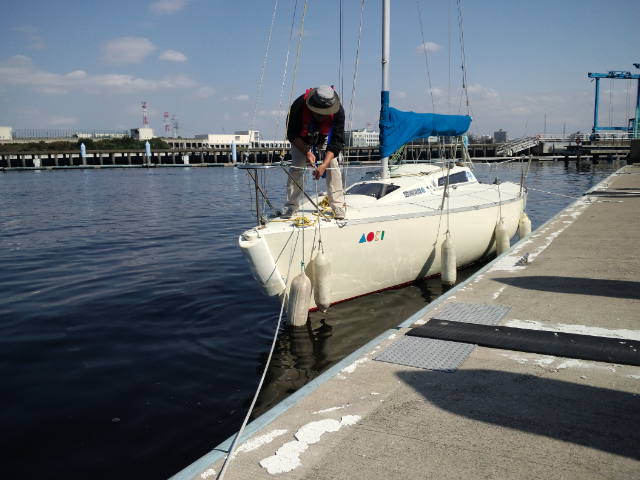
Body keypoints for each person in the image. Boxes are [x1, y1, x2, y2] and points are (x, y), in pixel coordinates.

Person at [282, 85, 346, 220]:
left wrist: (324, 165)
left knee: (333, 166)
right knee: (297, 167)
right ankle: (291, 205)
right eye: (318, 112)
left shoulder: (339, 111)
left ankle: (338, 205)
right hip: (301, 138)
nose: (321, 116)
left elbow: (336, 142)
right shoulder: (298, 105)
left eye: (324, 113)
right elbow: (291, 134)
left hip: (325, 137)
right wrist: (307, 153)